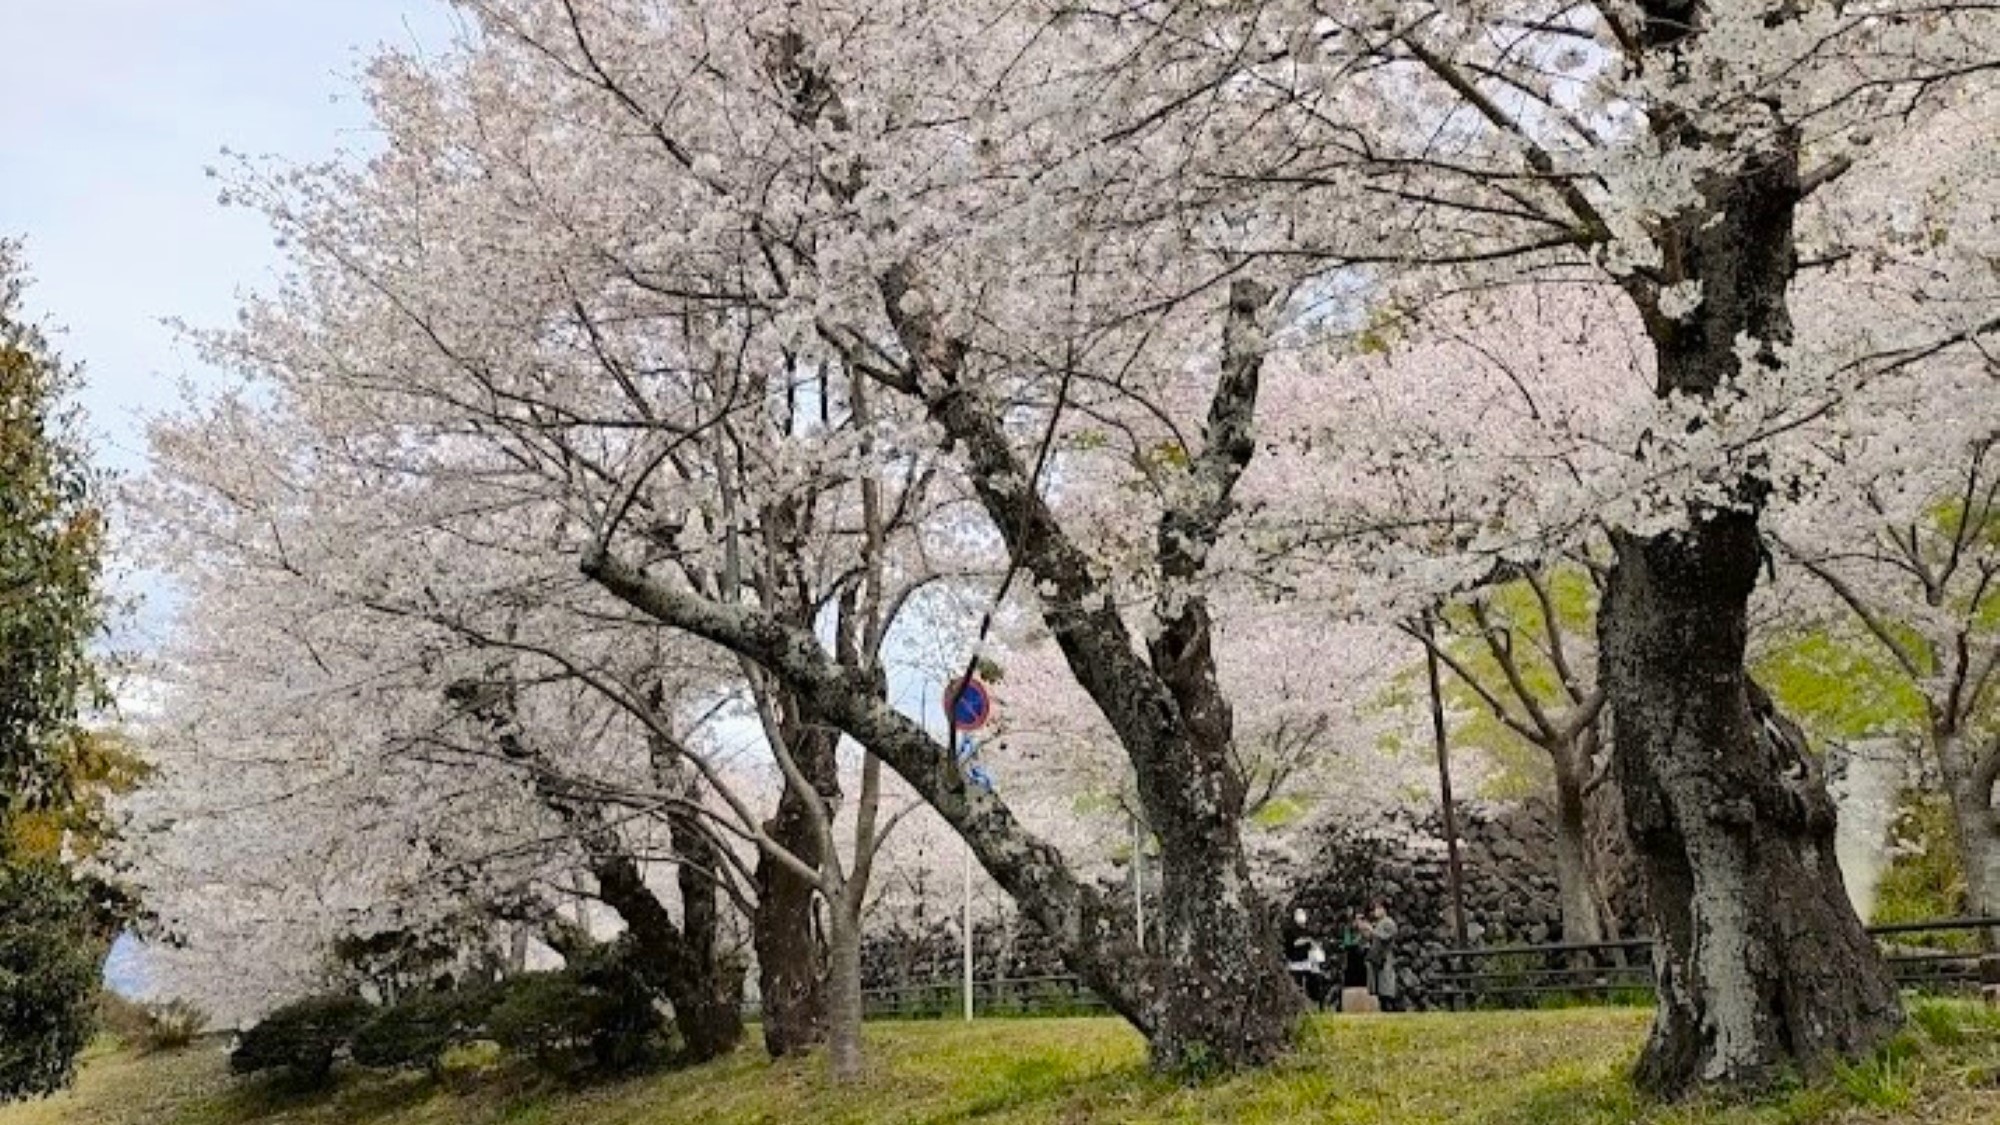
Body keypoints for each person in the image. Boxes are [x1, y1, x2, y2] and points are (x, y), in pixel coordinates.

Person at [1283, 908, 1332, 1009]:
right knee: (1297, 985)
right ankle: (1298, 1007)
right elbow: (1292, 944)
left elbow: (1313, 944)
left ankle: (1318, 1004)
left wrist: (1314, 945)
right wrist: (1306, 941)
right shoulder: (1290, 931)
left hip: (1308, 962)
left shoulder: (1308, 931)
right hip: (1295, 963)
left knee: (1314, 983)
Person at [1359, 900, 1402, 1012]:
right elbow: (1372, 938)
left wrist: (1371, 930)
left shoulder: (1389, 922)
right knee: (1378, 987)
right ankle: (1383, 1008)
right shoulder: (1378, 923)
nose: (1376, 911)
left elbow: (1384, 937)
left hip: (1385, 956)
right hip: (1376, 957)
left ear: (1384, 909)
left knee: (1386, 986)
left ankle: (1391, 1008)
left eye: (1378, 908)